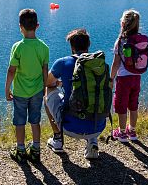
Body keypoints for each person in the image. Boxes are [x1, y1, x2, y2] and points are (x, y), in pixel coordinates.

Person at [44, 28, 108, 160]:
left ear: (72, 47)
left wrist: (59, 83)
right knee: (95, 95)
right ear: (88, 45)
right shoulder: (99, 65)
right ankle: (92, 143)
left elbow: (48, 82)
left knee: (48, 91)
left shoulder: (63, 62)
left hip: (70, 127)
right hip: (98, 126)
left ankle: (58, 140)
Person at [5, 8, 49, 163]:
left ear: (20, 27)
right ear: (37, 26)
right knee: (35, 120)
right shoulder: (44, 47)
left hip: (20, 92)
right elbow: (45, 70)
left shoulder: (18, 47)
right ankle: (36, 149)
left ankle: (21, 149)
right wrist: (44, 89)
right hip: (37, 91)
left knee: (20, 121)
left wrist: (7, 89)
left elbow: (11, 71)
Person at [110, 9, 148, 142]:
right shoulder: (139, 39)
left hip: (123, 79)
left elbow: (116, 64)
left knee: (121, 105)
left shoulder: (121, 41)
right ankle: (132, 131)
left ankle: (121, 133)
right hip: (136, 77)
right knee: (133, 105)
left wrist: (111, 78)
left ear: (123, 24)